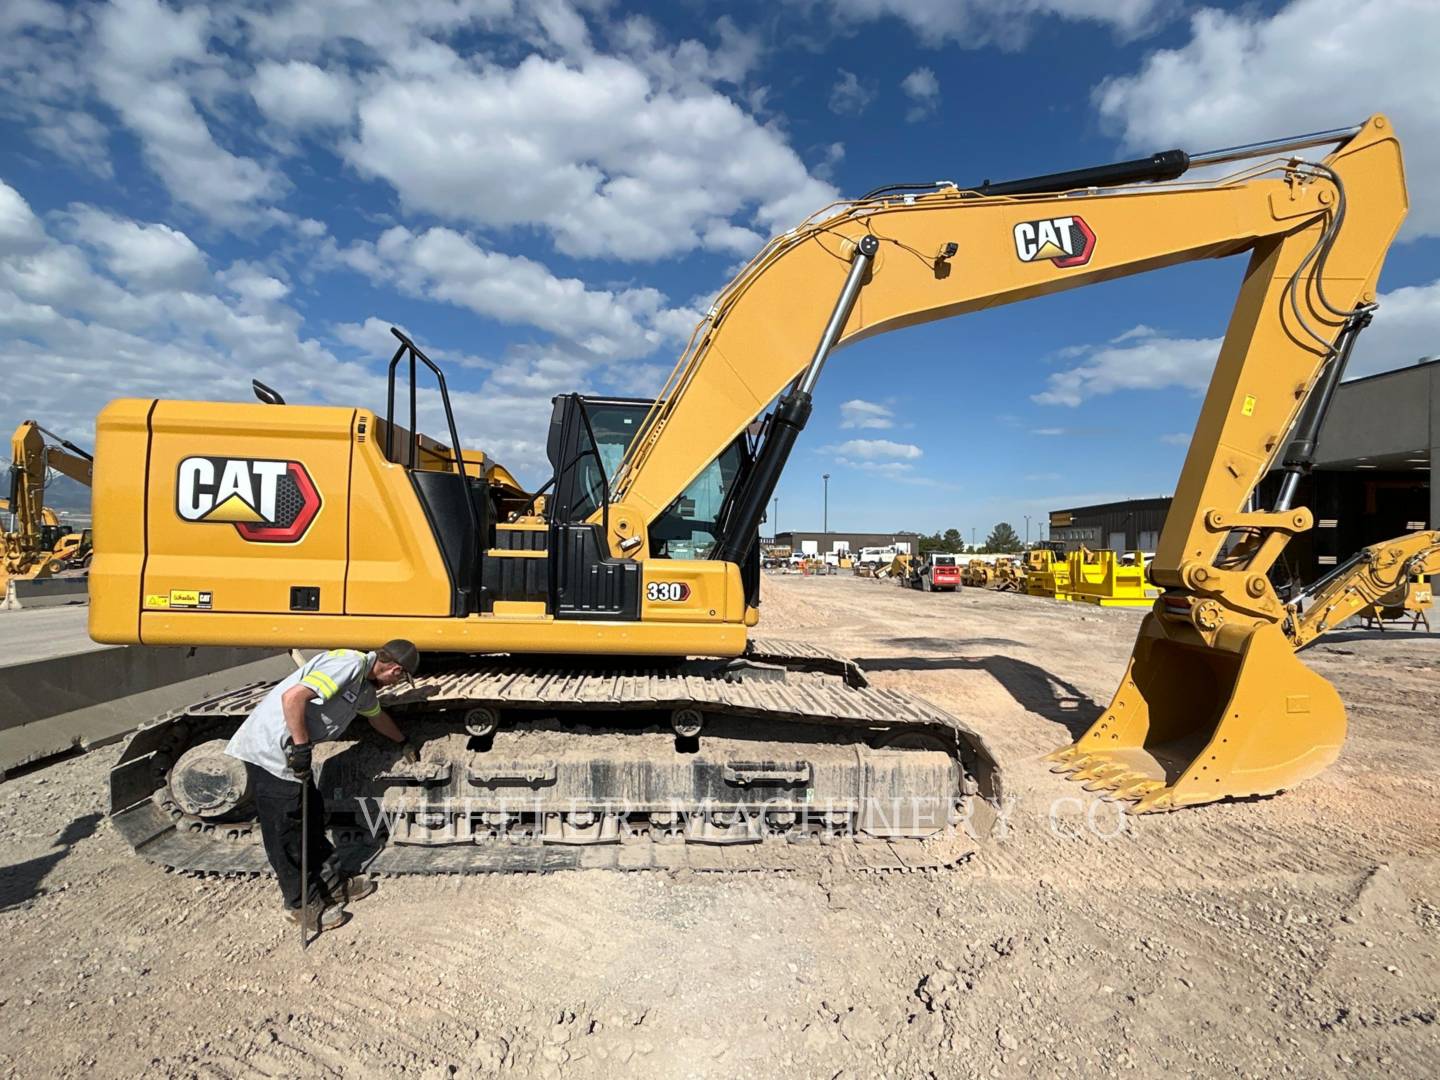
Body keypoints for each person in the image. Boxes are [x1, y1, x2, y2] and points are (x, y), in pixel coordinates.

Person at [225, 639, 420, 932]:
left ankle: (332, 884)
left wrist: (402, 741)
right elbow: (293, 698)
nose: (397, 682)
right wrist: (302, 749)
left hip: (291, 752)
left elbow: (377, 717)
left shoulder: (363, 687)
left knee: (312, 816)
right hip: (272, 749)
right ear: (394, 668)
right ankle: (301, 905)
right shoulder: (349, 664)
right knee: (287, 829)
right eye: (401, 677)